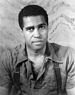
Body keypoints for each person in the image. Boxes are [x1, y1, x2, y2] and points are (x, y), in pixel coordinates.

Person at [0, 4, 75, 95]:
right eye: (30, 29)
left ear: (48, 28)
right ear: (22, 32)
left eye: (41, 27)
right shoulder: (8, 59)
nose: (37, 35)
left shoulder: (68, 57)